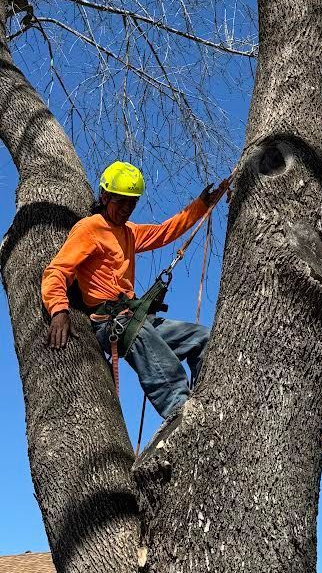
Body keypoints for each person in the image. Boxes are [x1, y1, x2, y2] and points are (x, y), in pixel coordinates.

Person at [42, 160, 227, 419]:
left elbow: (164, 232)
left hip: (137, 317)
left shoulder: (129, 232)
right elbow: (56, 271)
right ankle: (181, 415)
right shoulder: (89, 229)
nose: (127, 209)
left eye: (132, 203)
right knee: (164, 365)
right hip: (111, 323)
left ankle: (211, 400)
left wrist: (201, 206)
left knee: (203, 338)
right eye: (121, 201)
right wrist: (59, 310)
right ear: (105, 196)